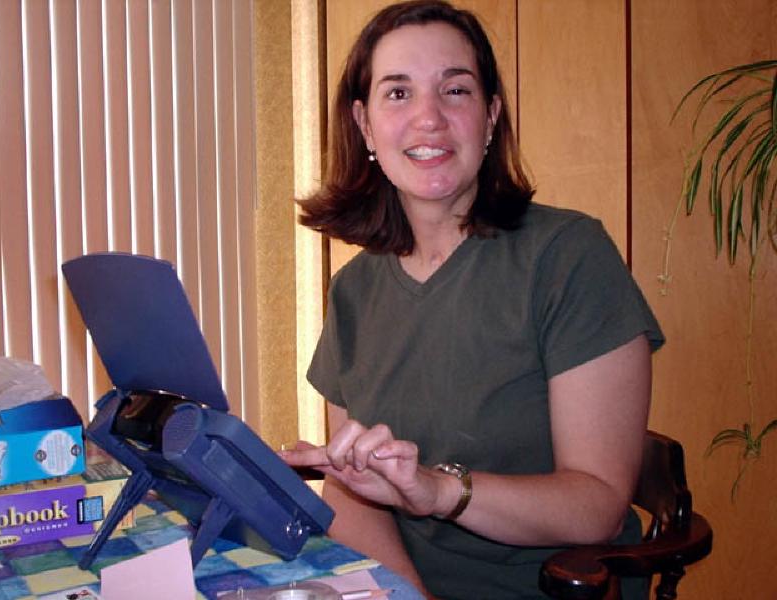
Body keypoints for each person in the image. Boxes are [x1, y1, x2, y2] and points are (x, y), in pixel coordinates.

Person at [283, 1, 663, 598]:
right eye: (398, 93)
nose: (429, 118)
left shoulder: (569, 256)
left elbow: (597, 503)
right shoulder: (352, 291)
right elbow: (353, 493)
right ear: (364, 125)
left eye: (455, 90)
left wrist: (440, 490)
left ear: (490, 117)